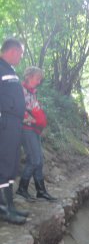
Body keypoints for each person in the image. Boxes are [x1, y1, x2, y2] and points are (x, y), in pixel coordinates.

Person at [16, 66, 57, 202]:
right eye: (37, 78)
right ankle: (22, 189)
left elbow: (33, 108)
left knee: (39, 161)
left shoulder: (32, 92)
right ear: (29, 76)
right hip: (26, 129)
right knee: (33, 160)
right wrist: (33, 120)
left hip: (34, 129)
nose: (39, 81)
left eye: (40, 79)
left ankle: (41, 191)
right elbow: (17, 110)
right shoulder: (20, 90)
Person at [0, 38, 29, 224]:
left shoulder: (9, 69)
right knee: (4, 163)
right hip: (5, 122)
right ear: (12, 51)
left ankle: (7, 207)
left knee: (11, 164)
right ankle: (7, 209)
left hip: (14, 123)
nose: (21, 57)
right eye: (20, 54)